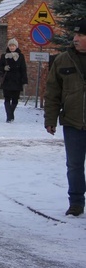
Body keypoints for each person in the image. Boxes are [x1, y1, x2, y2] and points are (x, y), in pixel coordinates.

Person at [44, 18, 86, 217]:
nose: (75, 39)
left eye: (81, 35)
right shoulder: (63, 60)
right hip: (73, 122)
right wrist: (50, 119)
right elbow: (52, 92)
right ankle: (76, 203)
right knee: (74, 165)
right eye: (75, 35)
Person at [0, 38, 27, 123]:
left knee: (15, 99)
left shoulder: (21, 56)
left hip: (17, 80)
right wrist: (4, 68)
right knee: (7, 98)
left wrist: (24, 81)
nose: (12, 47)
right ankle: (9, 116)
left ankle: (11, 114)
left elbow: (23, 69)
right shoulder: (4, 56)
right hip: (7, 80)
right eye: (10, 45)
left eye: (13, 45)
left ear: (16, 46)